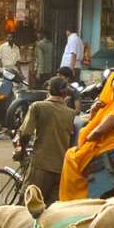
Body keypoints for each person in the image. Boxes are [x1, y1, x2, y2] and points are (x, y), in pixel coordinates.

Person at [60, 69, 114, 201]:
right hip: (111, 147)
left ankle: (75, 198)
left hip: (111, 149)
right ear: (111, 82)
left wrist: (87, 139)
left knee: (71, 156)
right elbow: (97, 124)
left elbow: (98, 131)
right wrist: (94, 112)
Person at [17, 76, 75, 204]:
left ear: (48, 91)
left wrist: (21, 149)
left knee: (27, 204)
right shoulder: (71, 113)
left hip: (41, 164)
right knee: (49, 210)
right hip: (61, 167)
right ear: (65, 93)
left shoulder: (38, 106)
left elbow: (26, 133)